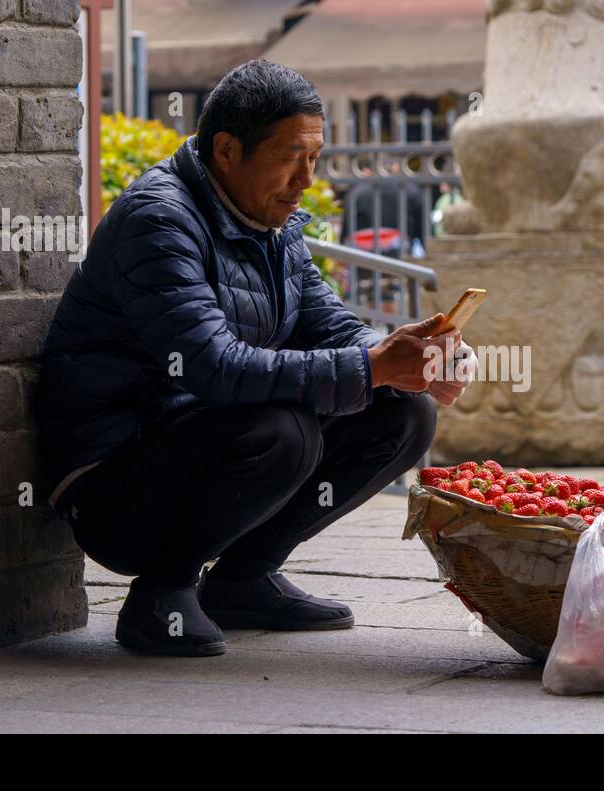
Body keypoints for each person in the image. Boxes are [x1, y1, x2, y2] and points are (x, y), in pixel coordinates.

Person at [36, 60, 472, 656]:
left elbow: (330, 326)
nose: (307, 180)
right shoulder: (159, 220)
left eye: (315, 158)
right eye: (291, 157)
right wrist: (372, 366)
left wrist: (409, 357)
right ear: (226, 149)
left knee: (405, 414)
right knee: (283, 430)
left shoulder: (274, 222)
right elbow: (213, 368)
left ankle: (243, 579)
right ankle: (160, 595)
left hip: (197, 442)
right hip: (112, 483)